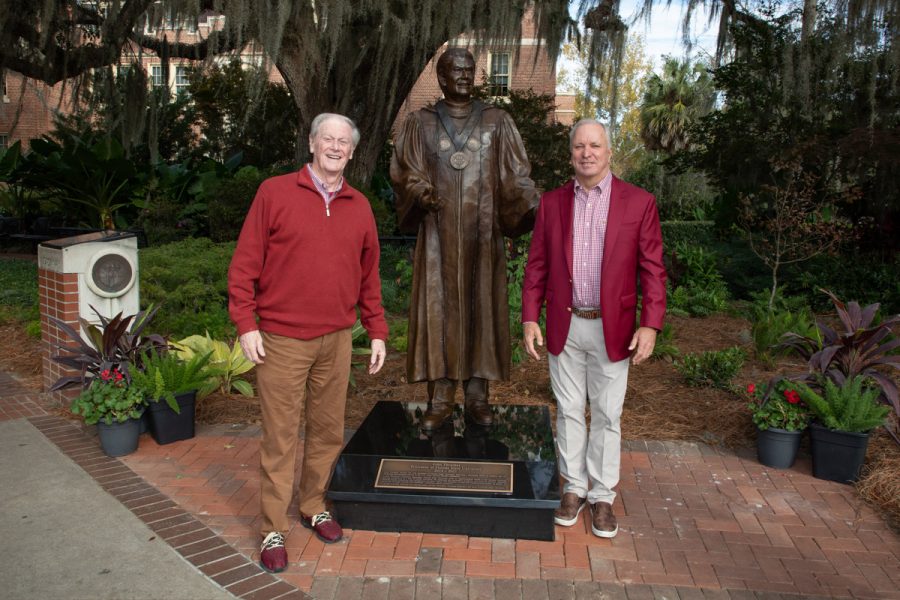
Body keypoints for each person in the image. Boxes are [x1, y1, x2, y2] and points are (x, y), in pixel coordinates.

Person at [228, 113, 388, 573]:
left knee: (326, 429)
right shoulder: (274, 193)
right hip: (280, 339)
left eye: (344, 142)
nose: (336, 147)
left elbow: (369, 277)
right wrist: (246, 323)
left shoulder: (359, 205)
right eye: (328, 139)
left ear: (353, 152)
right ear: (312, 143)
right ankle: (271, 527)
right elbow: (243, 266)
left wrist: (376, 330)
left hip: (336, 339)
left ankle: (312, 504)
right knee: (279, 437)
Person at [521, 119, 666, 538]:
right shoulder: (551, 204)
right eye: (580, 146)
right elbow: (537, 266)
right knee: (568, 412)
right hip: (564, 324)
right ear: (571, 154)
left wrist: (650, 324)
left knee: (607, 413)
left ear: (609, 152)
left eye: (595, 146)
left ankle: (603, 495)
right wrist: (530, 316)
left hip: (613, 328)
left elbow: (653, 270)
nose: (587, 153)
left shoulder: (638, 203)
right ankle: (574, 488)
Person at [390, 48, 540, 431]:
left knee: (482, 311)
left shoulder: (496, 121)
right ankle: (439, 398)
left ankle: (477, 397)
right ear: (440, 77)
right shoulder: (420, 124)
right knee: (437, 313)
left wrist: (533, 204)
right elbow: (406, 171)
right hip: (438, 238)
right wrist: (420, 191)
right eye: (456, 70)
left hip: (483, 237)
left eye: (470, 70)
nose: (464, 76)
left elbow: (516, 176)